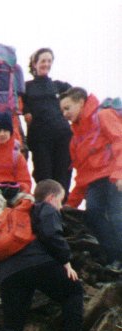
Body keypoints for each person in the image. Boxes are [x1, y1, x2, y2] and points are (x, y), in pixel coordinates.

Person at [0, 179, 84, 331]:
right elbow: (51, 233)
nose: (61, 207)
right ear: (52, 197)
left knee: (12, 323)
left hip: (9, 272)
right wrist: (66, 261)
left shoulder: (15, 214)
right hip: (39, 264)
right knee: (73, 291)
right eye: (61, 201)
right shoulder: (45, 207)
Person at [60, 87, 122, 270]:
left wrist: (120, 173)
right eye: (62, 110)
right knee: (93, 215)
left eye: (67, 108)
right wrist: (70, 204)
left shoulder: (103, 115)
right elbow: (82, 174)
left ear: (80, 102)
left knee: (117, 216)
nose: (64, 114)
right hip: (95, 183)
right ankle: (115, 259)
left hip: (113, 176)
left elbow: (120, 141)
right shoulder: (76, 139)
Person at [23, 48, 72, 191]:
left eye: (49, 61)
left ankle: (62, 208)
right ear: (34, 64)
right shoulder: (26, 87)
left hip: (62, 135)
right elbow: (18, 103)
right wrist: (26, 111)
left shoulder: (59, 86)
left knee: (63, 173)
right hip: (39, 138)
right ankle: (45, 207)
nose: (46, 64)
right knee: (44, 175)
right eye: (43, 61)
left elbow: (79, 97)